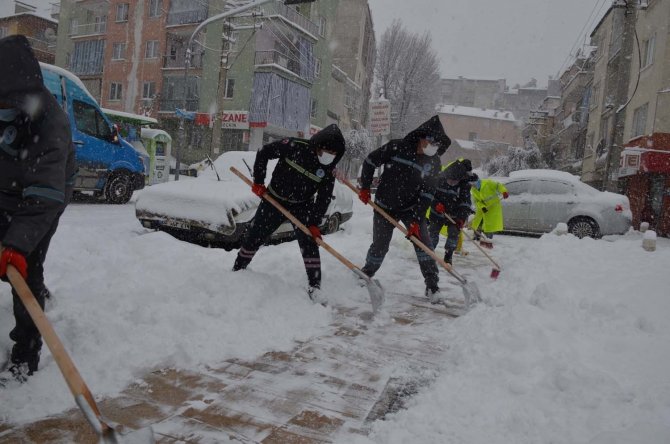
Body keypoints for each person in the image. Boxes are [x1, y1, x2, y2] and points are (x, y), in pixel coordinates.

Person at [0, 35, 76, 382]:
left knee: (25, 270)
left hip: (46, 196)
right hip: (4, 190)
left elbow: (45, 196)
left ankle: (26, 354)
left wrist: (16, 246)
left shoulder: (51, 125)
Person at [232, 124, 346, 304]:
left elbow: (323, 198)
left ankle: (315, 286)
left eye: (333, 152)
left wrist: (314, 223)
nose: (329, 154)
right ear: (317, 145)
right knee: (255, 235)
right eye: (326, 150)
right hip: (274, 200)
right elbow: (264, 153)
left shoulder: (327, 169)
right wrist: (259, 181)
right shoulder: (294, 146)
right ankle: (238, 268)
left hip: (302, 206)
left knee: (309, 243)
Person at [358, 115, 451, 302]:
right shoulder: (396, 147)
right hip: (385, 205)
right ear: (422, 137)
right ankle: (367, 273)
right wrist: (366, 187)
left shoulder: (433, 162)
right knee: (380, 245)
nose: (433, 146)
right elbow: (370, 161)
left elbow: (427, 193)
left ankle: (432, 286)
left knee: (424, 245)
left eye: (437, 144)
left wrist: (416, 220)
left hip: (411, 208)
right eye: (431, 141)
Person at [427, 158, 477, 269]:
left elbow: (465, 203)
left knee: (454, 233)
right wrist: (436, 204)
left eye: (455, 181)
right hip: (437, 212)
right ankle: (429, 253)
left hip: (454, 214)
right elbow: (429, 195)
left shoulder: (464, 185)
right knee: (433, 232)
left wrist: (461, 218)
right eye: (450, 180)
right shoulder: (438, 180)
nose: (452, 183)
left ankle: (448, 255)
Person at [470, 177, 509, 244]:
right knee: (478, 222)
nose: (471, 185)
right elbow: (476, 201)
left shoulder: (487, 183)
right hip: (482, 209)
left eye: (472, 183)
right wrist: (482, 207)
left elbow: (498, 185)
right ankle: (477, 237)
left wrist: (504, 191)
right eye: (470, 184)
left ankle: (488, 239)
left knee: (489, 224)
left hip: (493, 207)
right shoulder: (473, 190)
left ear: (476, 181)